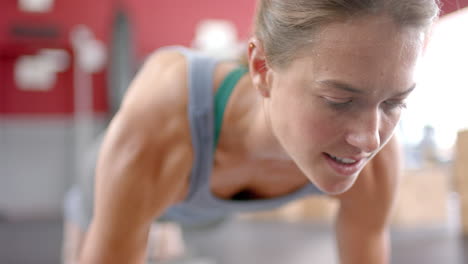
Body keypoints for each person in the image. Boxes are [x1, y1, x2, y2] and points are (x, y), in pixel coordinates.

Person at [63, 0, 440, 263]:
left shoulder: (370, 152)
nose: (370, 139)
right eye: (339, 99)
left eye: (393, 102)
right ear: (262, 68)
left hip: (205, 207)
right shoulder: (164, 113)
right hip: (104, 189)